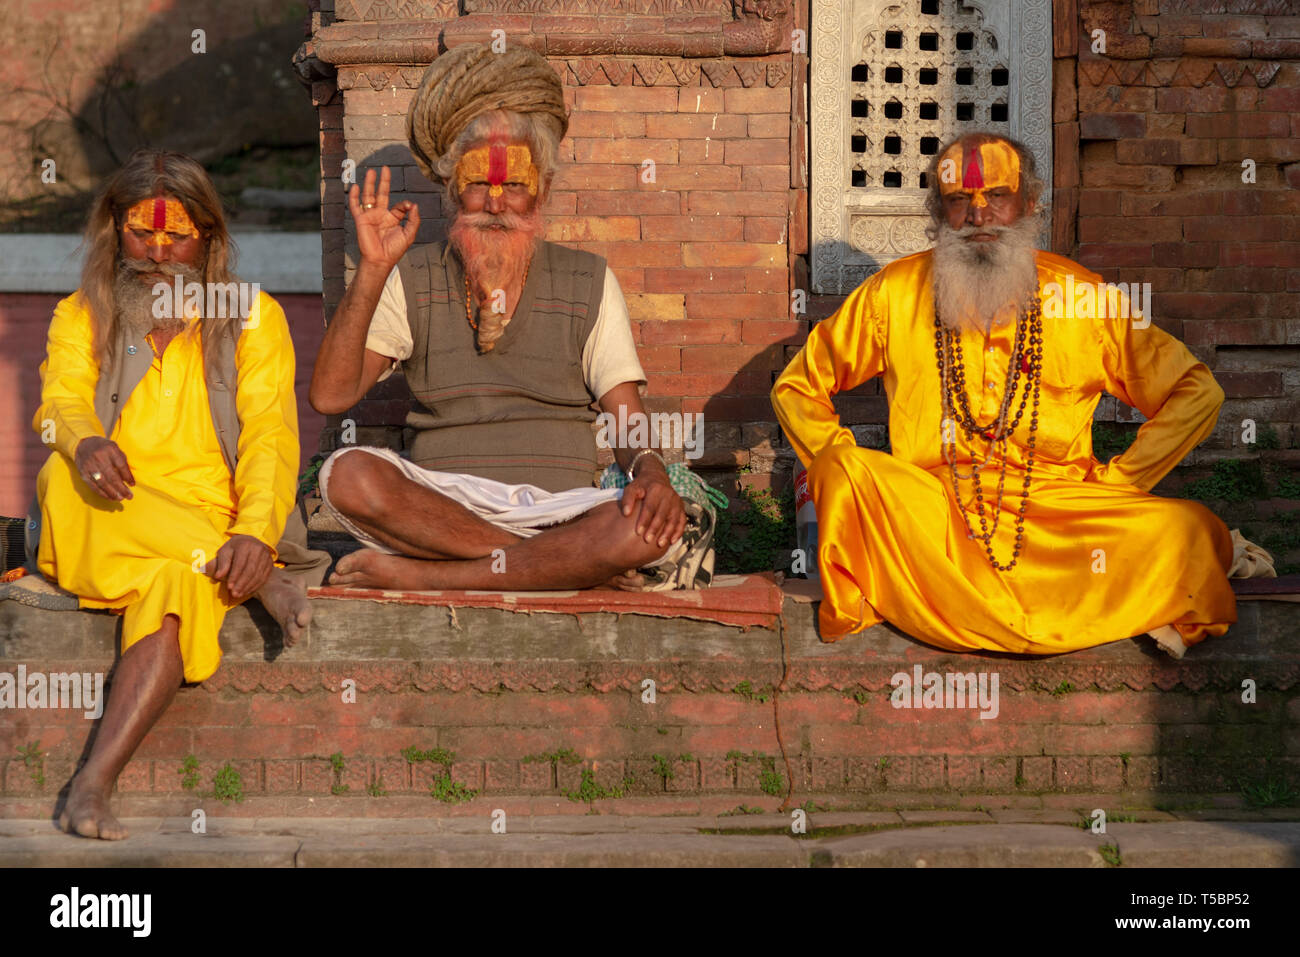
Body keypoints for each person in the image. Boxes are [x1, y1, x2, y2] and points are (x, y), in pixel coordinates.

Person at [771, 131, 1236, 658]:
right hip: (934, 519)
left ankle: (954, 603)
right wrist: (845, 460)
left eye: (997, 195)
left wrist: (1123, 481)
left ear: (1029, 204)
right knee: (844, 470)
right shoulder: (894, 293)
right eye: (959, 200)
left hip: (1057, 517)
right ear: (939, 211)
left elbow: (1195, 390)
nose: (979, 214)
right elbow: (798, 386)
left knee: (1188, 533)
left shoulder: (1082, 298)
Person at [311, 42, 694, 592]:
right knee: (345, 474)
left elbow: (627, 417)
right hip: (442, 509)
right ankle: (559, 565)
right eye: (478, 185)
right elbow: (329, 398)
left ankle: (427, 575)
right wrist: (371, 270)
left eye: (514, 184)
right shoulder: (410, 274)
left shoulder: (588, 280)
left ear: (543, 189)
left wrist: (653, 474)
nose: (496, 203)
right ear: (451, 190)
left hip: (563, 510)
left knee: (647, 528)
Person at [30, 149, 328, 839]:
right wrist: (84, 442)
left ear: (210, 239)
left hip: (210, 537)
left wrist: (255, 532)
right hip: (103, 512)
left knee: (176, 591)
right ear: (115, 231)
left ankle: (90, 785)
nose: (159, 253)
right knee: (59, 479)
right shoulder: (82, 314)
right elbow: (56, 405)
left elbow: (272, 439)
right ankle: (258, 585)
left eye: (178, 236)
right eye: (142, 233)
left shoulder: (254, 317)